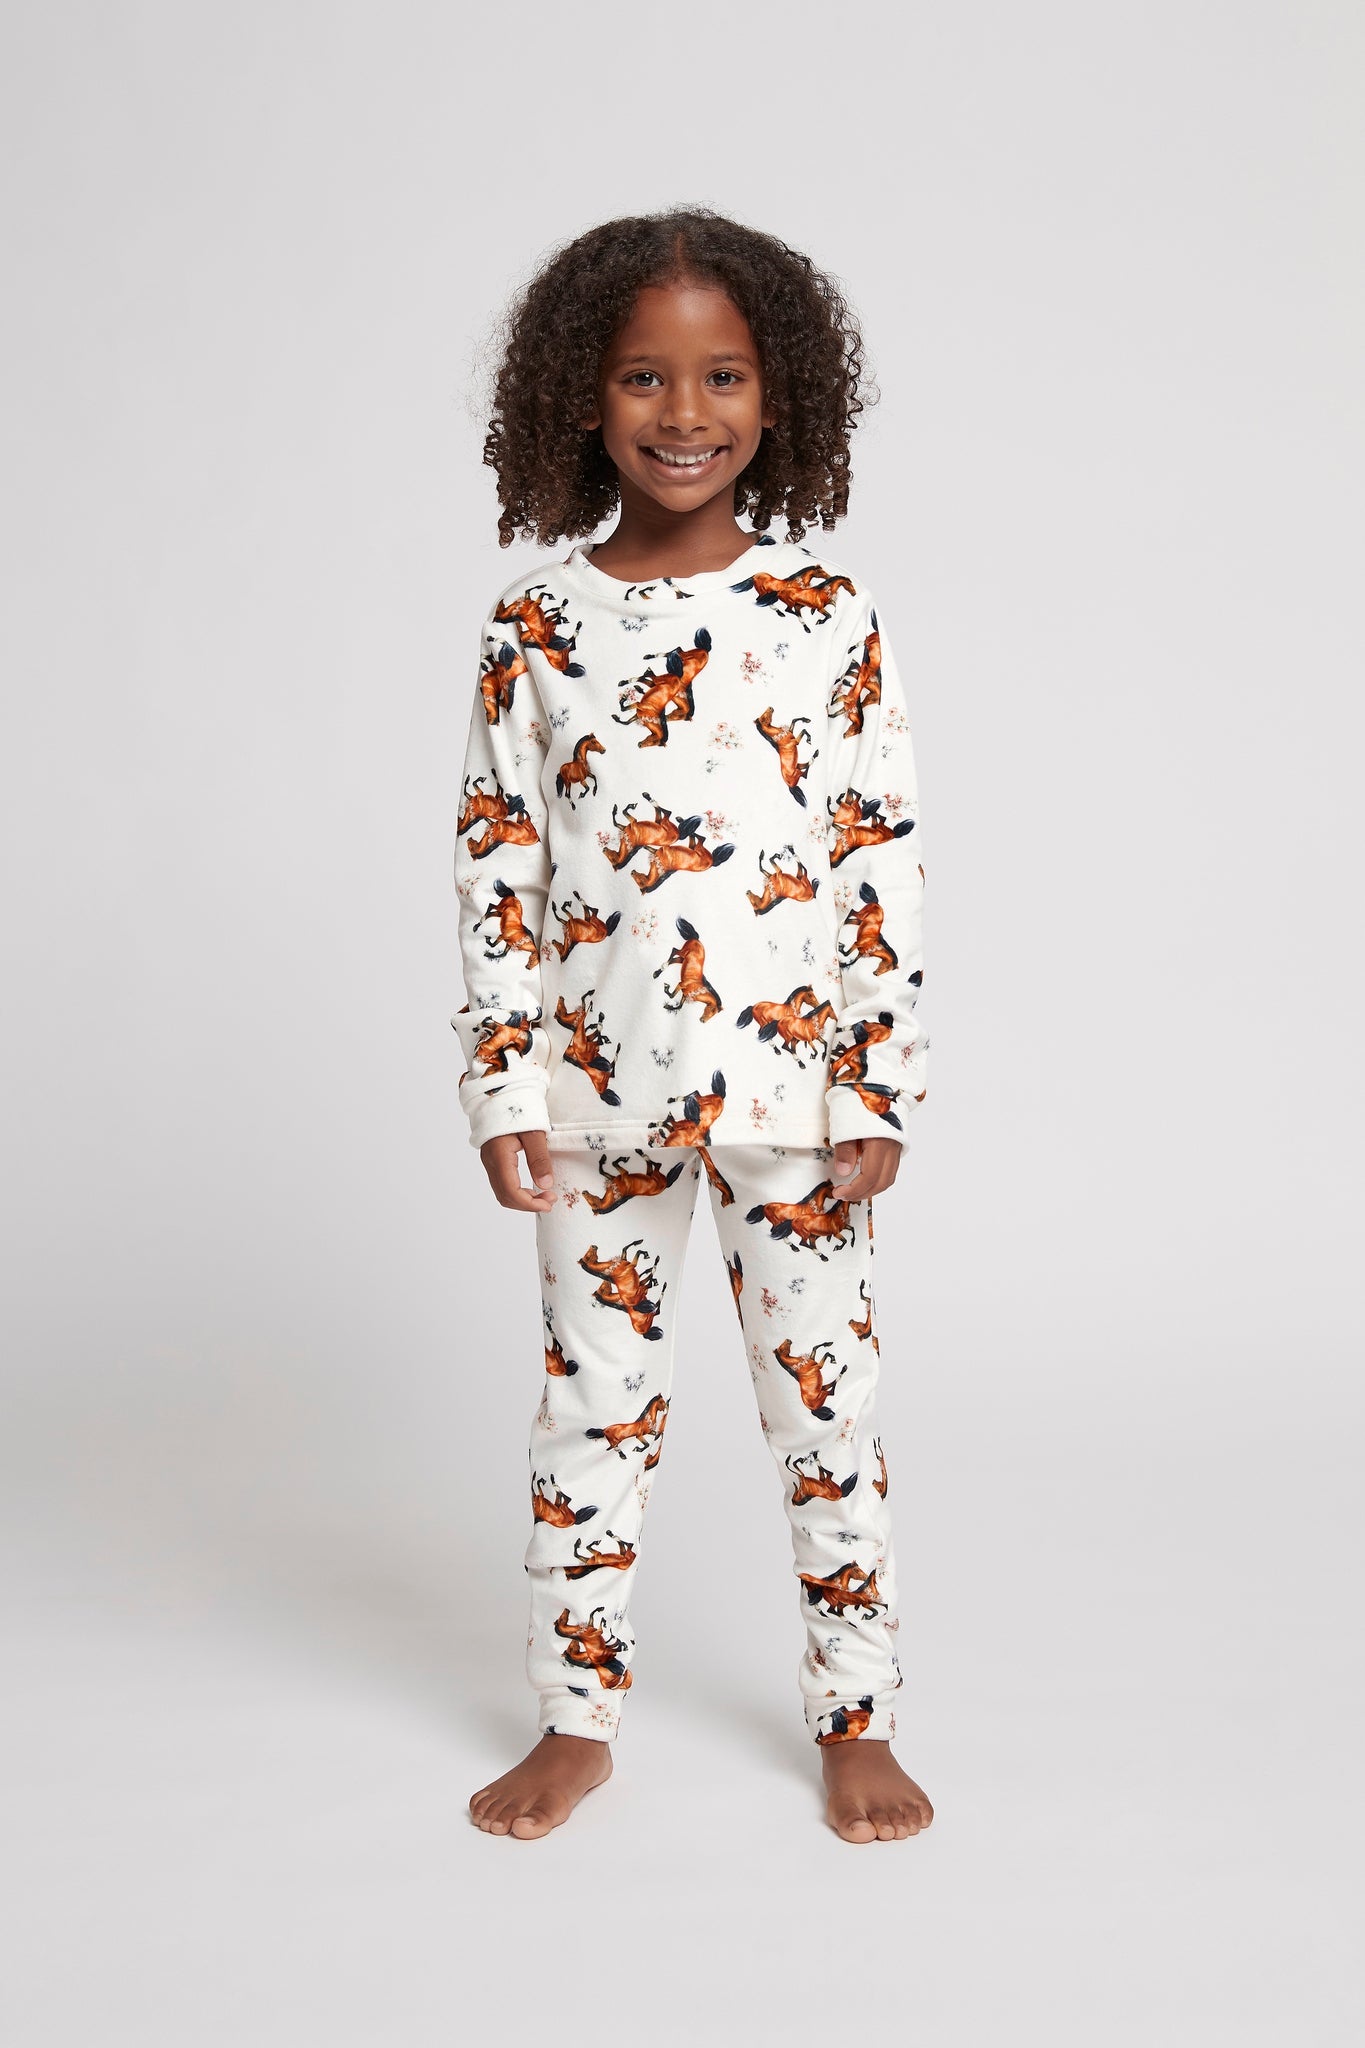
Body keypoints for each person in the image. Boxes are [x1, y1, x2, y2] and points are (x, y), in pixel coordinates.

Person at [452, 207, 934, 1845]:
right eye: (642, 376)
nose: (683, 412)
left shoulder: (826, 614)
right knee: (591, 1410)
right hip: (593, 1101)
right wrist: (500, 1083)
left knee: (826, 1412)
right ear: (577, 398)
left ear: (777, 392)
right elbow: (498, 863)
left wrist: (875, 1081)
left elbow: (875, 851)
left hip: (793, 1099)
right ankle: (573, 1717)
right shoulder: (535, 624)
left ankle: (856, 1716)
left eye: (721, 375)